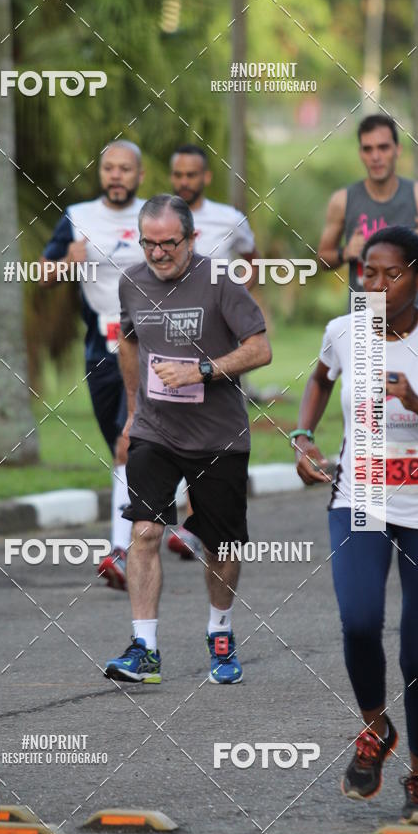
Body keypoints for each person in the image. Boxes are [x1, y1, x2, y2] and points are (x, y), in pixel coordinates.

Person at [294, 225, 418, 823]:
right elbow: (318, 378)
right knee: (359, 620)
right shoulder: (345, 329)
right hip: (359, 497)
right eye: (369, 273)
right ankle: (374, 727)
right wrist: (303, 436)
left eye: (392, 275)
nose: (378, 286)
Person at [104, 194, 271, 685]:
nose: (158, 253)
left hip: (218, 436)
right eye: (149, 243)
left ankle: (220, 631)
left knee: (220, 545)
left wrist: (203, 369)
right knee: (145, 531)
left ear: (192, 239)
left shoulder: (221, 282)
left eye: (168, 244)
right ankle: (145, 648)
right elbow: (129, 343)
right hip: (156, 432)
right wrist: (134, 413)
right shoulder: (131, 282)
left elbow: (259, 348)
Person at [42, 140, 146, 591]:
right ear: (100, 173)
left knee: (130, 441)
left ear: (139, 174)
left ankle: (122, 549)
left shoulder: (157, 215)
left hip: (152, 341)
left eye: (125, 168)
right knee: (120, 445)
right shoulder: (78, 216)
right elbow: (42, 274)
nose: (116, 175)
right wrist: (68, 262)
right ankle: (159, 512)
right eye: (109, 168)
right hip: (100, 348)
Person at [167, 143, 260, 560]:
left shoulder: (229, 218)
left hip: (218, 338)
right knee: (175, 418)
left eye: (192, 175)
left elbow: (251, 259)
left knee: (212, 422)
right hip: (170, 333)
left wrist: (237, 304)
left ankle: (199, 519)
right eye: (178, 175)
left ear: (206, 177)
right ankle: (189, 523)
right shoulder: (162, 217)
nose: (184, 182)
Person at [318, 114, 418, 308]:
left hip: (414, 317)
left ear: (397, 150)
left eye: (383, 147)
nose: (375, 157)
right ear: (361, 153)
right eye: (368, 149)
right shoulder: (342, 201)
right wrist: (345, 253)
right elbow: (323, 258)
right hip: (364, 318)